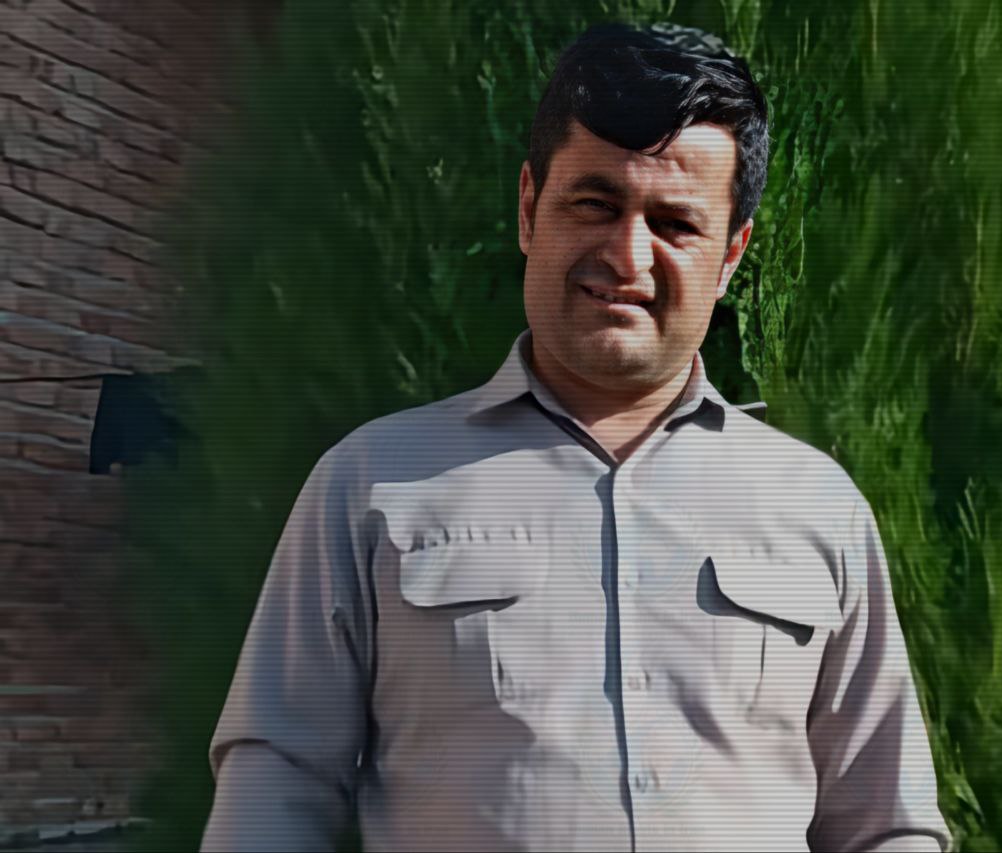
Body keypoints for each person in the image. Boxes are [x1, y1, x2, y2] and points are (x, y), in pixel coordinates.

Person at [200, 21, 952, 853]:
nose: (628, 256)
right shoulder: (373, 481)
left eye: (675, 223)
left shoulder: (815, 505)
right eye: (595, 204)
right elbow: (278, 782)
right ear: (530, 208)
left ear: (732, 254)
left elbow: (887, 821)